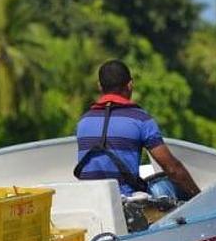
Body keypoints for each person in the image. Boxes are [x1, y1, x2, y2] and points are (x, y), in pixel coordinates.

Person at [74, 60, 200, 202]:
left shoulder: (83, 121)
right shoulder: (140, 119)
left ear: (99, 86)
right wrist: (199, 198)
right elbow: (172, 169)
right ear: (130, 85)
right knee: (165, 185)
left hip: (89, 201)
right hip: (126, 202)